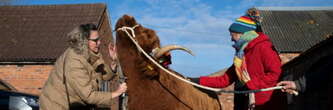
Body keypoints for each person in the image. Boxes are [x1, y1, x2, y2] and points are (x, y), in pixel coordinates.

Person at [190, 8, 282, 110]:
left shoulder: (264, 47)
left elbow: (275, 74)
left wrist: (251, 85)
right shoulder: (241, 55)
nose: (231, 39)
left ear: (241, 33)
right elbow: (224, 80)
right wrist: (196, 81)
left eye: (232, 34)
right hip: (243, 102)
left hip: (263, 105)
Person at [39, 24, 127, 110]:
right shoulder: (74, 61)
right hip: (57, 105)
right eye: (95, 40)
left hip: (77, 104)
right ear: (84, 41)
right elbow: (88, 96)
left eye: (99, 39)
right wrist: (116, 93)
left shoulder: (92, 55)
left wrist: (114, 61)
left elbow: (103, 76)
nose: (99, 43)